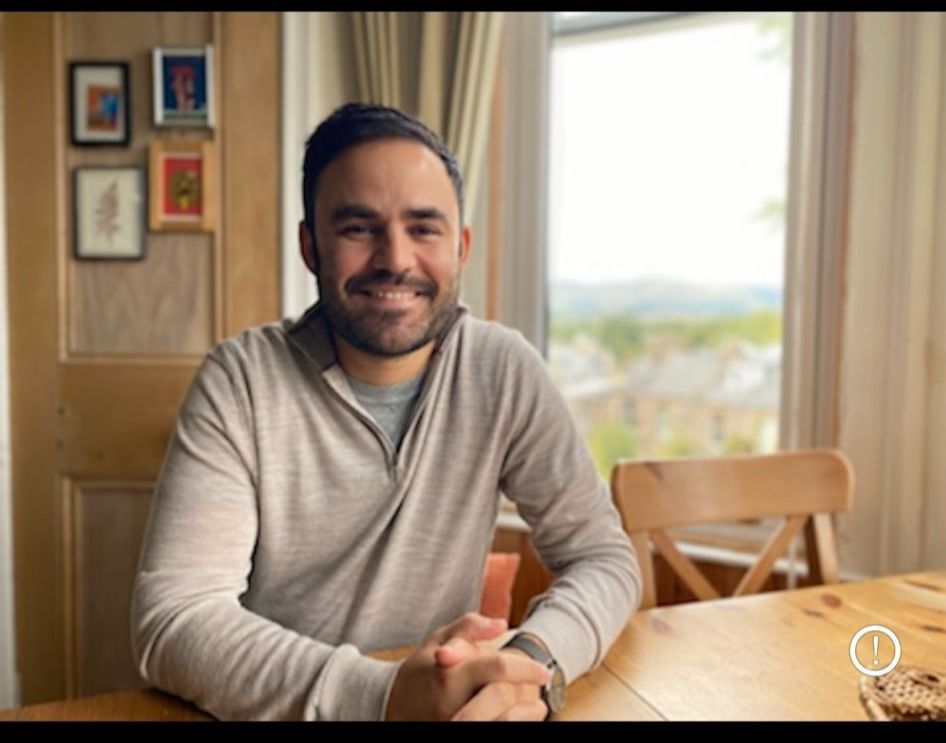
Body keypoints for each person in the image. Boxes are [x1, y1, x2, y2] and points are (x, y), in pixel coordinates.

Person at [131, 102, 641, 721]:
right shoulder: (240, 381)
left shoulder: (502, 370)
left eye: (424, 228)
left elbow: (603, 558)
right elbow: (174, 619)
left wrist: (532, 664)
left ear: (462, 247)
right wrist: (384, 696)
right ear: (310, 245)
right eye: (358, 228)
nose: (395, 259)